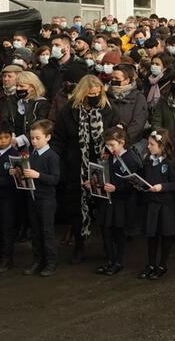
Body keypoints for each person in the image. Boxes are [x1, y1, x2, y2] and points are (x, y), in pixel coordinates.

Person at [52, 75, 119, 263]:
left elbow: (118, 133)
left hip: (102, 164)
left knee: (104, 207)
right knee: (76, 208)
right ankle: (79, 246)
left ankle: (108, 247)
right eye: (90, 94)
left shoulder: (109, 109)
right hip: (76, 166)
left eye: (97, 94)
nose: (94, 97)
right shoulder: (68, 111)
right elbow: (59, 139)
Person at [92, 127, 142, 277]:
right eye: (107, 145)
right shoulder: (108, 157)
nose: (109, 148)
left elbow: (133, 184)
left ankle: (118, 262)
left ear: (122, 142)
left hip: (121, 202)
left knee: (118, 233)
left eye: (113, 145)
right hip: (107, 201)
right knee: (106, 231)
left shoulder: (130, 159)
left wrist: (117, 188)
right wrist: (94, 182)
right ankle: (109, 260)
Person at [138, 129, 175, 281]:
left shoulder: (170, 163)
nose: (148, 146)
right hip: (151, 204)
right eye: (148, 143)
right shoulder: (148, 161)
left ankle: (162, 264)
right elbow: (143, 178)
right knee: (151, 235)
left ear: (162, 146)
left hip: (165, 205)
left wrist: (161, 187)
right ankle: (151, 264)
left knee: (165, 234)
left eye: (152, 144)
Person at [22, 119, 61, 277]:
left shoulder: (52, 156)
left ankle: (51, 262)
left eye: (38, 138)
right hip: (33, 197)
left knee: (47, 231)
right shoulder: (31, 154)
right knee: (36, 231)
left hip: (46, 199)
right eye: (32, 138)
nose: (34, 141)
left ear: (48, 137)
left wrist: (38, 175)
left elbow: (55, 179)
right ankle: (38, 260)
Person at [107, 64, 149, 147]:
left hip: (130, 143)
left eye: (117, 79)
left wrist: (122, 139)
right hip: (109, 142)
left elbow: (138, 123)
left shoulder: (138, 98)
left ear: (127, 80)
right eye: (112, 78)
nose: (113, 80)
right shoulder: (107, 96)